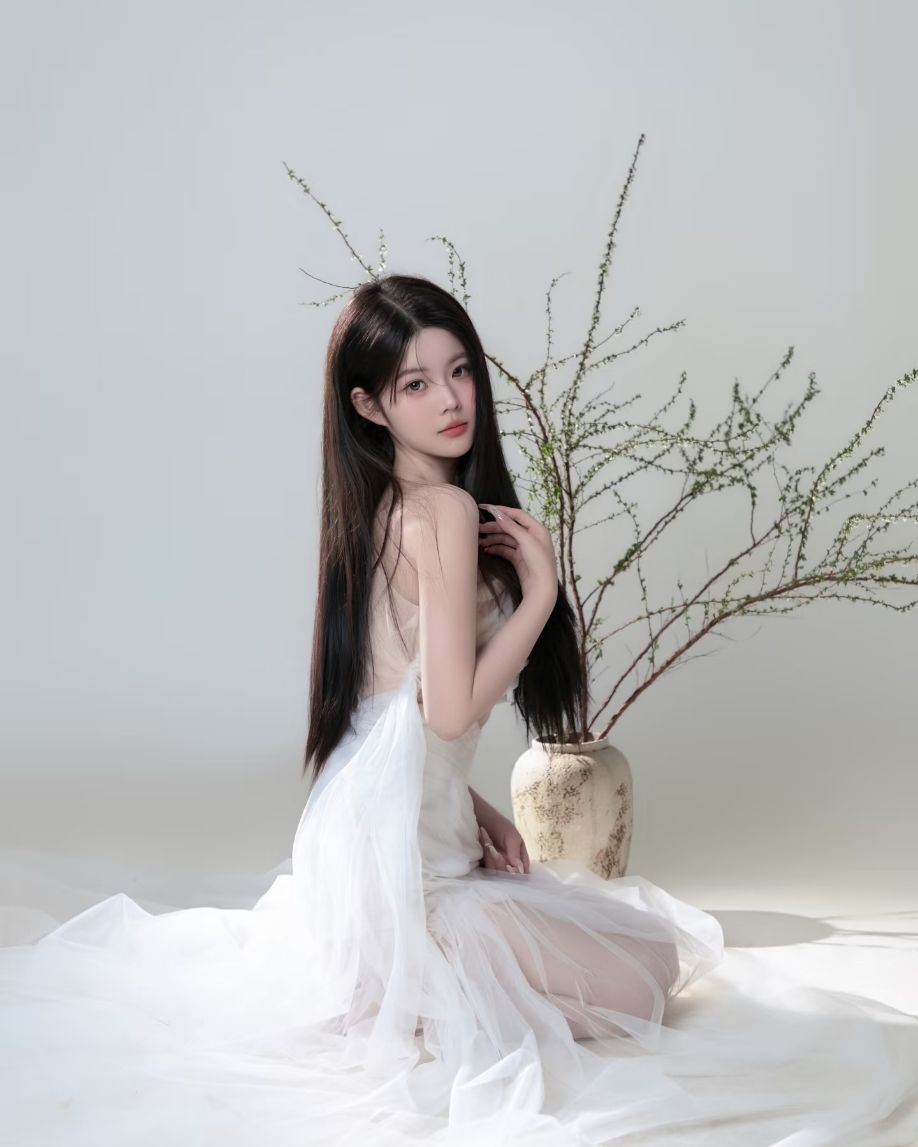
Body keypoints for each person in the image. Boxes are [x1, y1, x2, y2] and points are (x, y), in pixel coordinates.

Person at [1, 274, 916, 1146]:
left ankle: (406, 992)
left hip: (359, 841)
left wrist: (473, 805)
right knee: (650, 971)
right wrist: (540, 595)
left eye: (460, 370)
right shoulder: (439, 510)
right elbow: (442, 714)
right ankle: (416, 1000)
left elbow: (385, 710)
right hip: (400, 867)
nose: (450, 398)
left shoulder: (375, 505)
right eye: (416, 384)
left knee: (633, 956)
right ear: (369, 406)